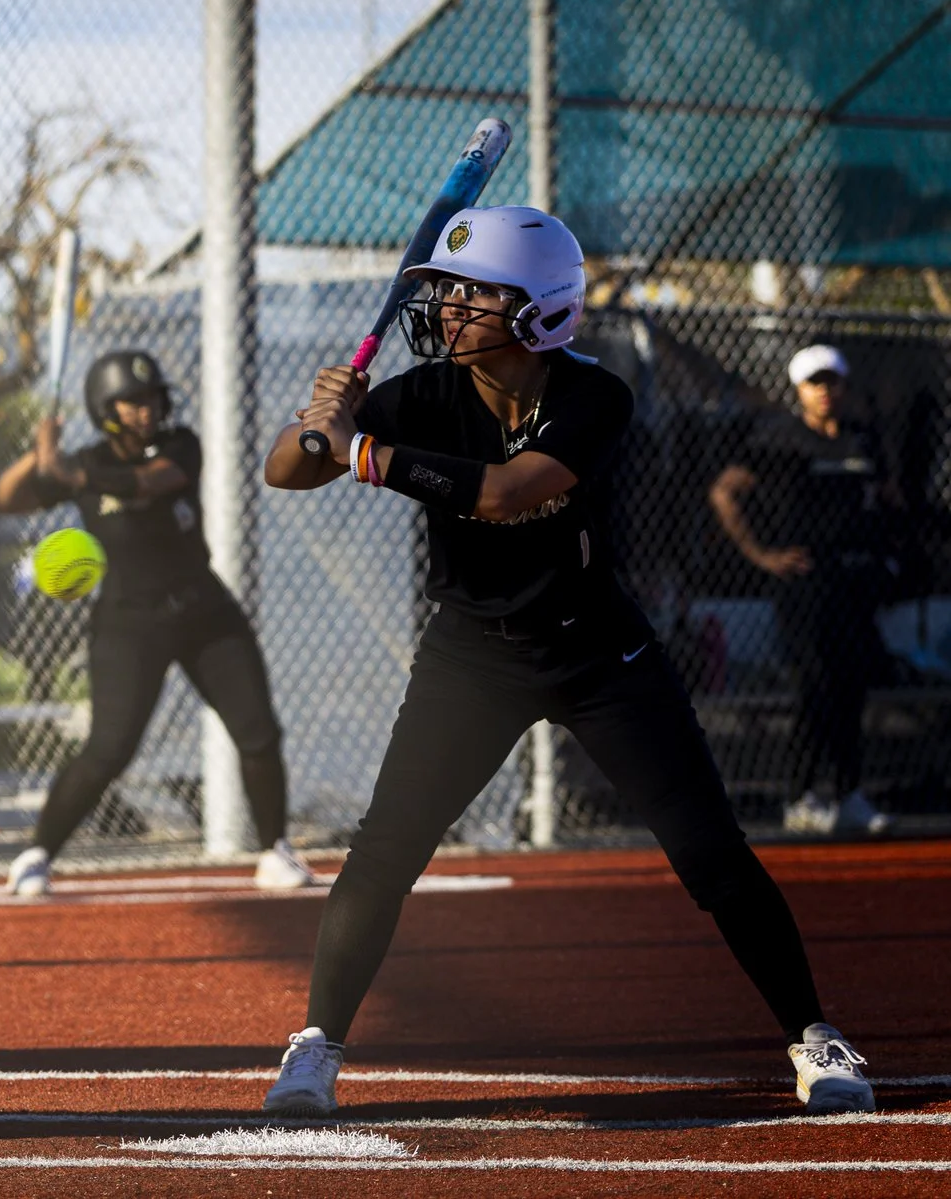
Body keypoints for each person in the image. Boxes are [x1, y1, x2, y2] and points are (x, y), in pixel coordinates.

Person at [259, 205, 875, 1118]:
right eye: (453, 289)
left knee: (711, 853)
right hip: (472, 656)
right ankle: (315, 1046)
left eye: (478, 294)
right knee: (384, 852)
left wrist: (359, 449)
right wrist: (326, 422)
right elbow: (285, 470)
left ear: (540, 313)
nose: (454, 307)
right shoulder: (424, 394)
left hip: (599, 652)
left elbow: (510, 494)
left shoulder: (596, 394)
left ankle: (814, 1035)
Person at [0, 350, 311, 896]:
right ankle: (37, 852)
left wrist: (72, 469)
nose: (147, 410)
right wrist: (40, 454)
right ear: (104, 408)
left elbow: (153, 481)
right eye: (132, 402)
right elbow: (4, 499)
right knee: (109, 749)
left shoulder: (179, 445)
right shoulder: (83, 465)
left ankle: (275, 850)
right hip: (127, 623)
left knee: (257, 730)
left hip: (204, 610)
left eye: (152, 399)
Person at [707, 344, 897, 836]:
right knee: (814, 685)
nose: (825, 391)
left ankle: (848, 793)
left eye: (832, 381)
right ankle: (801, 795)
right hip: (804, 584)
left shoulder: (862, 440)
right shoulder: (778, 440)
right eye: (815, 383)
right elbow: (724, 492)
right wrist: (761, 554)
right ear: (799, 390)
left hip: (854, 582)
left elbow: (888, 497)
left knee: (851, 687)